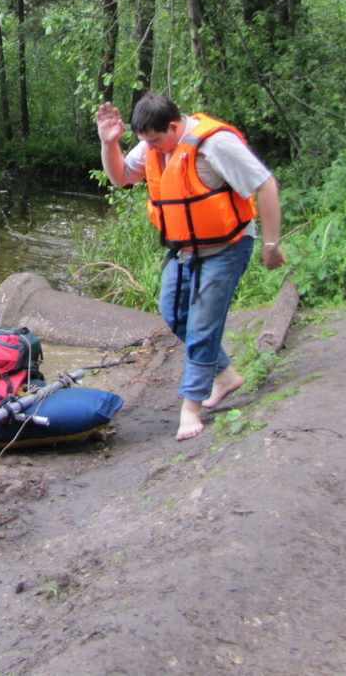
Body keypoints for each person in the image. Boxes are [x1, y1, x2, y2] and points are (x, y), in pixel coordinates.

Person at [97, 94, 285, 441]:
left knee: (202, 325)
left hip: (228, 246)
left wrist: (271, 244)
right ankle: (225, 375)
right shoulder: (154, 144)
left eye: (155, 140)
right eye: (145, 142)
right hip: (184, 249)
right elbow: (121, 176)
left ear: (173, 127)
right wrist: (109, 143)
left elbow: (265, 184)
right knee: (174, 314)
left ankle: (191, 407)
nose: (149, 148)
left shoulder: (216, 144)